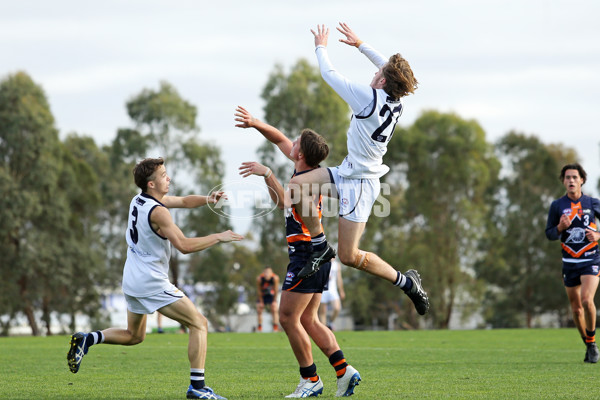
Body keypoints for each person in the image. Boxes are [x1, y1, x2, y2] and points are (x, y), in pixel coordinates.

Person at [66, 157, 243, 400]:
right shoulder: (159, 212)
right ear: (151, 184)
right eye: (163, 175)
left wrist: (207, 199)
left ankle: (88, 339)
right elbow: (184, 246)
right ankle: (198, 388)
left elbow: (181, 201)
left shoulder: (139, 200)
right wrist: (217, 237)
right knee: (199, 323)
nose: (168, 178)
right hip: (150, 280)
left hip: (132, 278)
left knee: (135, 336)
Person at [285, 23, 429, 316]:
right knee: (297, 186)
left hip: (361, 184)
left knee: (349, 256)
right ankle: (320, 245)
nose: (374, 72)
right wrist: (361, 44)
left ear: (382, 81)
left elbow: (329, 74)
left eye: (378, 73)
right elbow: (387, 68)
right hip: (347, 172)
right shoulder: (395, 100)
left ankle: (407, 282)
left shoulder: (368, 98)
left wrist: (320, 46)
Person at [236, 106, 361, 397]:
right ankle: (343, 370)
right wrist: (255, 123)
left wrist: (266, 173)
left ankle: (311, 380)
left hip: (307, 255)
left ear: (300, 154)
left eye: (295, 143)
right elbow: (278, 137)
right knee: (308, 320)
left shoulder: (301, 184)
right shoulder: (307, 171)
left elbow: (282, 202)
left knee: (288, 319)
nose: (289, 144)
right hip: (314, 254)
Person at [545, 163, 600, 363]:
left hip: (590, 260)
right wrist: (560, 226)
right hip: (569, 262)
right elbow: (549, 234)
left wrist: (597, 234)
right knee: (576, 309)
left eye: (575, 177)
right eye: (567, 177)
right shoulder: (557, 206)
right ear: (563, 181)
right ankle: (587, 343)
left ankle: (593, 344)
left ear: (582, 180)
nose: (571, 181)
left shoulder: (593, 203)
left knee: (587, 300)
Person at [319, 258, 345, 330]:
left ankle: (330, 322)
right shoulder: (321, 262)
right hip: (323, 290)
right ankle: (324, 329)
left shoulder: (337, 264)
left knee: (337, 308)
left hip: (333, 290)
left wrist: (341, 291)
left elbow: (339, 278)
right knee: (322, 312)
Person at [256, 266, 280, 332]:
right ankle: (259, 328)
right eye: (265, 272)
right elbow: (259, 290)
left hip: (271, 295)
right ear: (263, 273)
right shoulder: (260, 279)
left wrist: (274, 300)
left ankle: (275, 328)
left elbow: (276, 289)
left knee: (274, 309)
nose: (267, 274)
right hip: (263, 295)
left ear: (271, 273)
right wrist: (261, 301)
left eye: (268, 272)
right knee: (259, 309)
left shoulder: (275, 278)